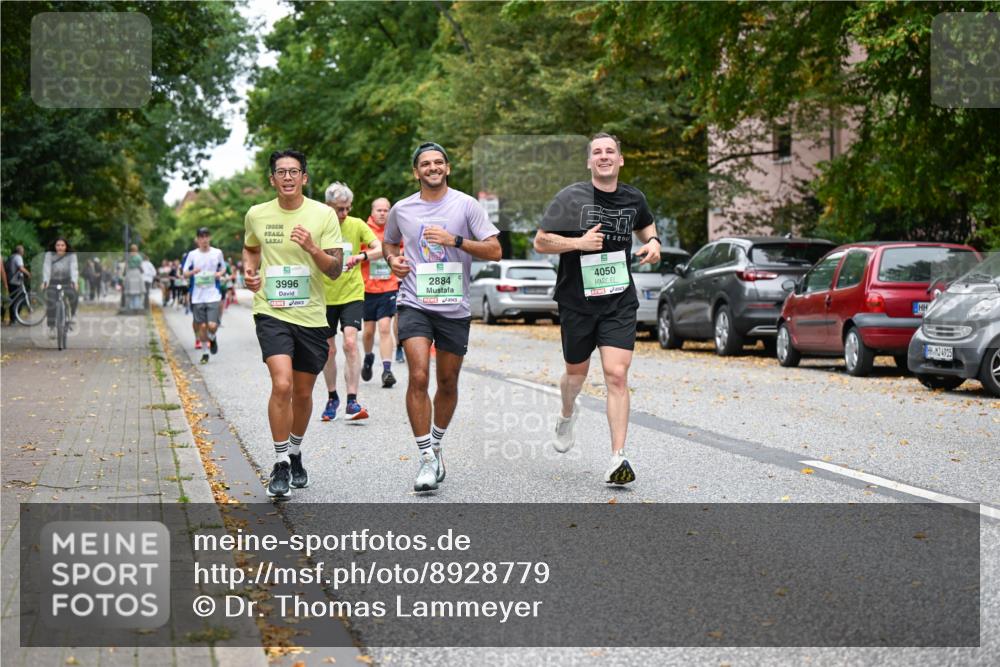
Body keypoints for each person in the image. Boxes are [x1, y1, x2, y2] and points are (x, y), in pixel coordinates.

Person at [533, 132, 661, 486]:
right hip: (577, 301)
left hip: (618, 300)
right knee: (576, 372)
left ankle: (618, 457)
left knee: (616, 375)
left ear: (620, 159)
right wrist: (578, 242)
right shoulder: (570, 197)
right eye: (597, 152)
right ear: (590, 161)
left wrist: (653, 242)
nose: (604, 156)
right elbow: (541, 240)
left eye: (610, 151)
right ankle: (566, 412)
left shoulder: (634, 197)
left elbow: (645, 225)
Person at [384, 141, 501, 492]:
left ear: (447, 168)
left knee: (447, 382)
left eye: (438, 163)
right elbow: (389, 243)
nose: (432, 168)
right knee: (418, 375)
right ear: (416, 172)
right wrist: (393, 261)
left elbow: (495, 250)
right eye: (425, 164)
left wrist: (456, 240)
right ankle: (425, 458)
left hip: (454, 307)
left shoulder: (467, 205)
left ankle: (436, 443)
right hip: (414, 302)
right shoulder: (402, 210)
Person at [243, 149, 343, 499]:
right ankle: (281, 461)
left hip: (312, 316)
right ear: (272, 179)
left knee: (303, 392)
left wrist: (313, 248)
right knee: (282, 384)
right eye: (280, 172)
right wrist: (250, 272)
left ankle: (296, 450)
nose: (287, 177)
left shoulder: (323, 214)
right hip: (271, 311)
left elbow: (335, 268)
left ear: (304, 177)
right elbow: (251, 249)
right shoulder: (256, 214)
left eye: (294, 171)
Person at [318, 182, 379, 422]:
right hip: (324, 296)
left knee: (350, 343)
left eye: (346, 209)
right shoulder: (319, 227)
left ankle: (352, 401)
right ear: (327, 206)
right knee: (329, 349)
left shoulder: (357, 225)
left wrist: (361, 256)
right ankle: (332, 397)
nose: (343, 214)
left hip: (352, 293)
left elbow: (380, 248)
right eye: (338, 209)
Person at [361, 197, 401, 388]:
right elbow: (357, 255)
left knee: (385, 328)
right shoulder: (364, 231)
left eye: (386, 210)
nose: (383, 213)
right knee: (368, 332)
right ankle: (368, 357)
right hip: (367, 287)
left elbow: (403, 250)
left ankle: (387, 370)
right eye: (379, 210)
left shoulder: (395, 230)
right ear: (372, 211)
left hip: (389, 286)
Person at [183, 228, 225, 364]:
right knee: (201, 326)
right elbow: (184, 273)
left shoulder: (217, 253)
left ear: (210, 238)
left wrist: (219, 274)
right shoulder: (192, 255)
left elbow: (223, 268)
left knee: (212, 325)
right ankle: (205, 353)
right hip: (197, 296)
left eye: (206, 236)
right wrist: (193, 271)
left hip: (213, 294)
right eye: (201, 237)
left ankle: (212, 337)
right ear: (197, 239)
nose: (204, 239)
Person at [42, 237, 80, 337]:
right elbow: (46, 268)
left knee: (73, 294)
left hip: (67, 281)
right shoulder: (49, 255)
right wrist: (45, 281)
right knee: (51, 301)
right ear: (54, 246)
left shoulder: (71, 255)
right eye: (58, 245)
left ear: (66, 246)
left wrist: (74, 281)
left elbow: (74, 268)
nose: (60, 247)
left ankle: (73, 314)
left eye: (62, 245)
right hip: (53, 281)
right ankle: (51, 327)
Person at [7, 245, 30, 324]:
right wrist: (28, 274)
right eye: (22, 250)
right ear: (20, 251)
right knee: (19, 300)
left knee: (13, 299)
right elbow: (21, 268)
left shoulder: (11, 257)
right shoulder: (18, 257)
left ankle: (12, 319)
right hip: (16, 281)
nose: (23, 252)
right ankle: (15, 318)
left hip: (10, 280)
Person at [124, 244, 145, 311]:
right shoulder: (139, 257)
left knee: (130, 291)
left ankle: (131, 306)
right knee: (137, 291)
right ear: (137, 249)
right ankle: (137, 306)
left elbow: (126, 265)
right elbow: (140, 266)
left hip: (129, 273)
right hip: (137, 273)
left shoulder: (128, 256)